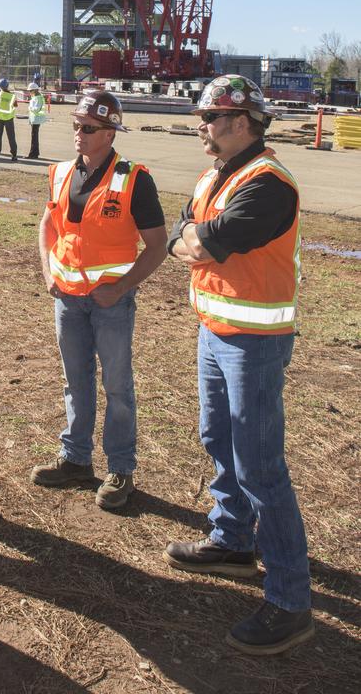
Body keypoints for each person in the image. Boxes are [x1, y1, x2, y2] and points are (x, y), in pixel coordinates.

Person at [164, 75, 313, 656]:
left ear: (243, 121)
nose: (202, 127)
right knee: (217, 438)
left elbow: (202, 244)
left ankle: (290, 599)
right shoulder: (214, 175)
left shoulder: (268, 183)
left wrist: (192, 239)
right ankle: (231, 540)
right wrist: (191, 238)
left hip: (255, 340)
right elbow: (185, 232)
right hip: (215, 330)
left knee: (259, 466)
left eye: (210, 118)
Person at [32, 91, 167, 510]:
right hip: (68, 300)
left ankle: (121, 468)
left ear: (110, 133)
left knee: (117, 387)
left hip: (111, 305)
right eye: (75, 125)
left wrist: (122, 287)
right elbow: (47, 226)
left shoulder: (134, 179)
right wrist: (47, 270)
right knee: (75, 382)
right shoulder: (59, 173)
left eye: (88, 128)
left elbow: (159, 245)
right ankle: (75, 459)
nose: (79, 133)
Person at [0, 77, 18, 161]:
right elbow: (15, 105)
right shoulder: (12, 96)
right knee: (11, 137)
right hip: (9, 118)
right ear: (7, 86)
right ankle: (14, 155)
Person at [26, 80, 48, 159]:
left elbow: (36, 109)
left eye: (30, 91)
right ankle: (35, 153)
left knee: (34, 138)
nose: (29, 92)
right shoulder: (37, 97)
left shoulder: (37, 98)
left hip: (36, 119)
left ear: (35, 90)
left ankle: (32, 154)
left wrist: (30, 108)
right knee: (35, 137)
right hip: (36, 119)